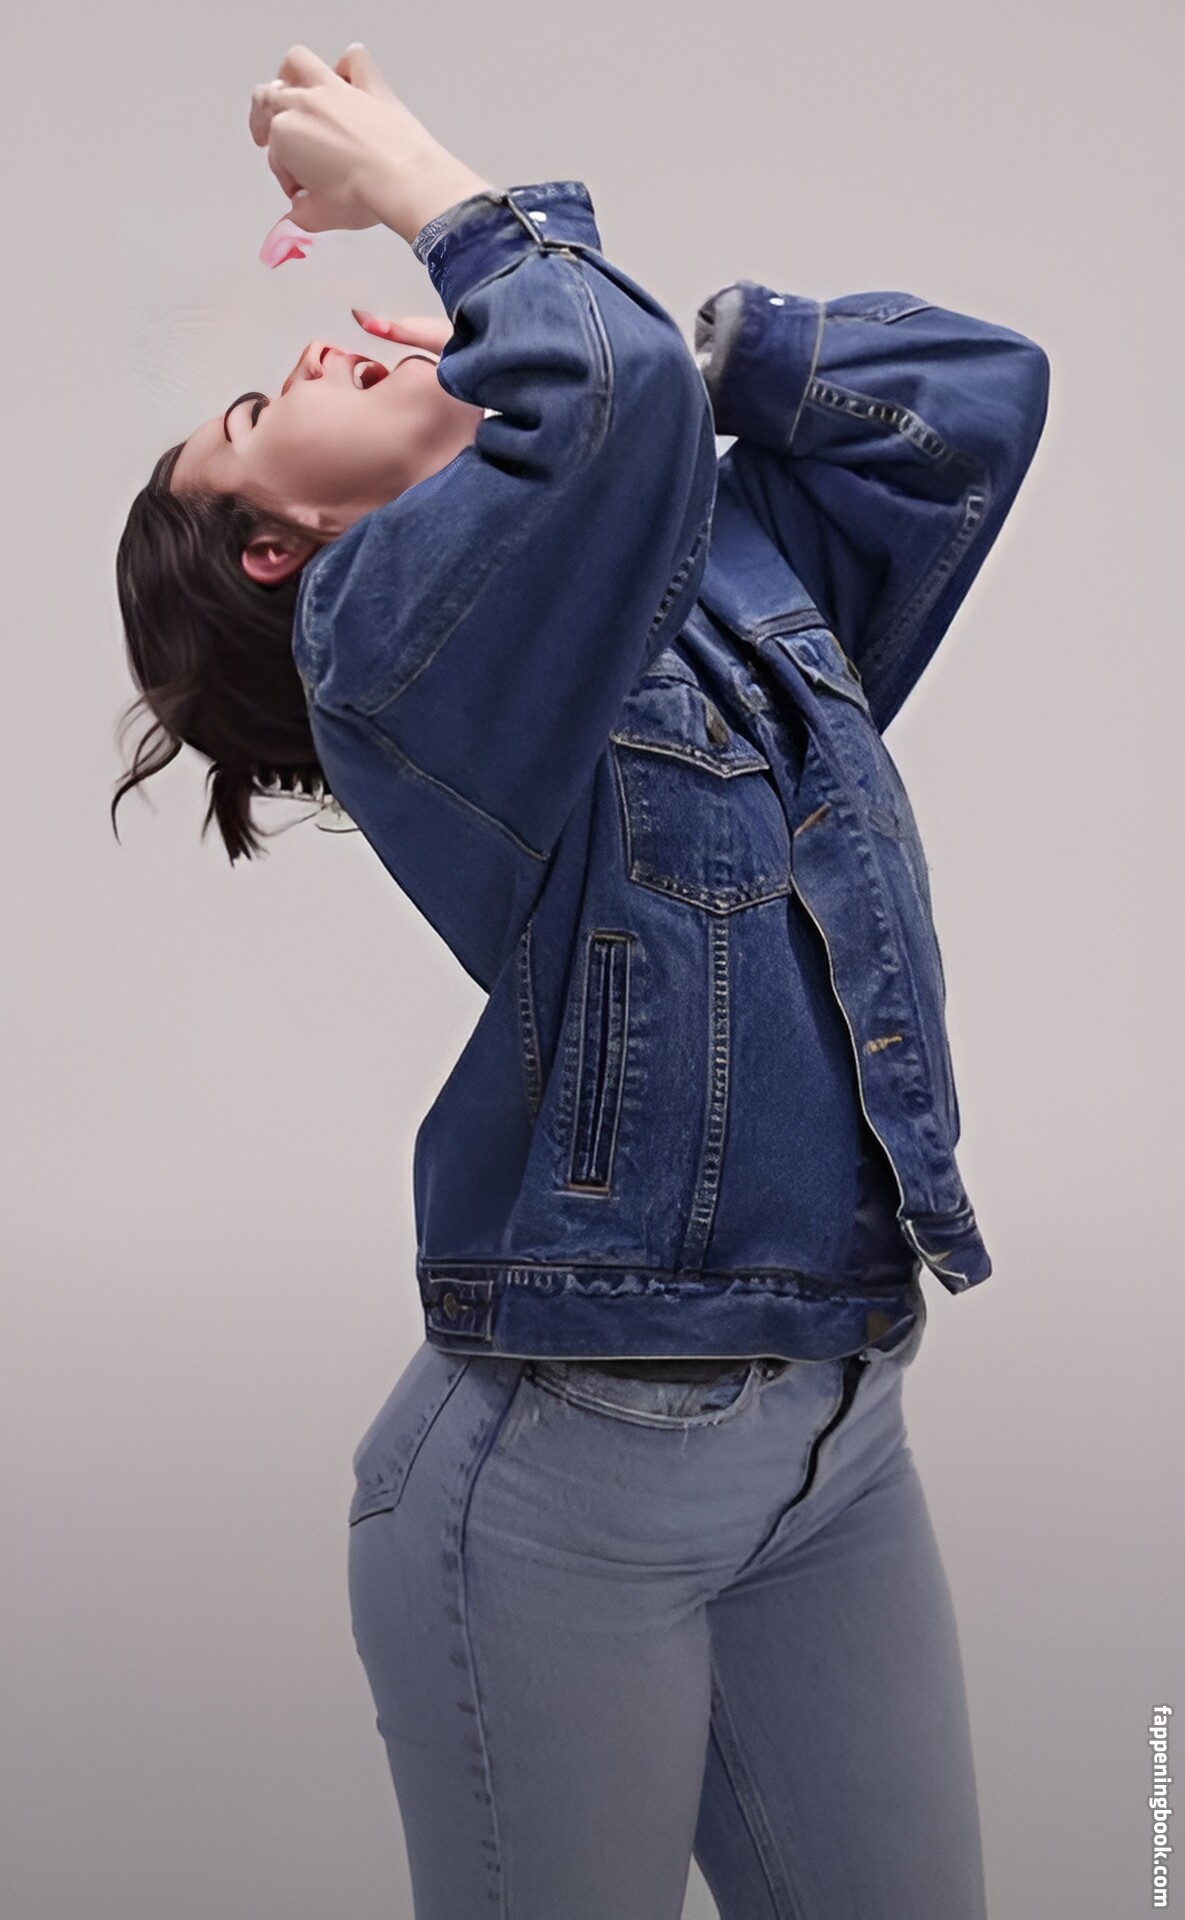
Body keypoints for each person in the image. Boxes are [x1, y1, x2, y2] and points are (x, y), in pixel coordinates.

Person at [112, 41, 1050, 1920]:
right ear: (279, 549)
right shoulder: (388, 651)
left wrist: (704, 362)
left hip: (833, 1419)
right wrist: (434, 195)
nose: (314, 356)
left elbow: (969, 396)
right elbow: (600, 394)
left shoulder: (701, 572)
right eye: (254, 410)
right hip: (567, 1466)